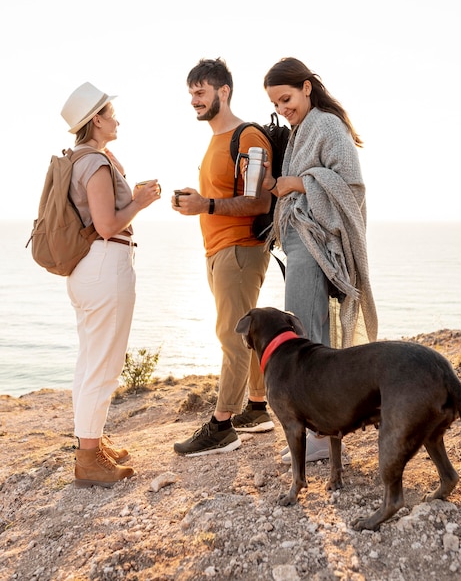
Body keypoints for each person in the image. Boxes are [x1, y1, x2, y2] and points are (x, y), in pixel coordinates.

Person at [261, 57, 378, 463]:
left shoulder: (326, 125)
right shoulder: (301, 129)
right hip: (300, 240)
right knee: (312, 338)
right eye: (276, 103)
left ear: (307, 87)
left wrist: (295, 183)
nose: (282, 108)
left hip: (313, 243)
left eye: (286, 98)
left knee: (307, 341)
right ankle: (323, 431)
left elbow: (351, 186)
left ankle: (322, 435)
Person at [171, 58, 275, 456]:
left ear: (223, 91)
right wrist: (196, 203)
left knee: (231, 338)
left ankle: (221, 426)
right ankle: (258, 408)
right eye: (191, 94)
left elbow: (258, 200)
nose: (194, 101)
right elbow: (219, 197)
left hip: (239, 249)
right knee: (244, 333)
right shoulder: (217, 140)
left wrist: (207, 205)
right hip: (218, 251)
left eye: (201, 92)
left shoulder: (247, 137)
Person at [60, 82, 161, 486]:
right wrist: (139, 202)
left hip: (86, 270)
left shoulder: (81, 159)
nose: (117, 119)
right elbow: (105, 225)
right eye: (111, 113)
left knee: (90, 361)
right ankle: (88, 460)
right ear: (97, 119)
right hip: (105, 267)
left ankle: (91, 441)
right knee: (104, 363)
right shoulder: (95, 163)